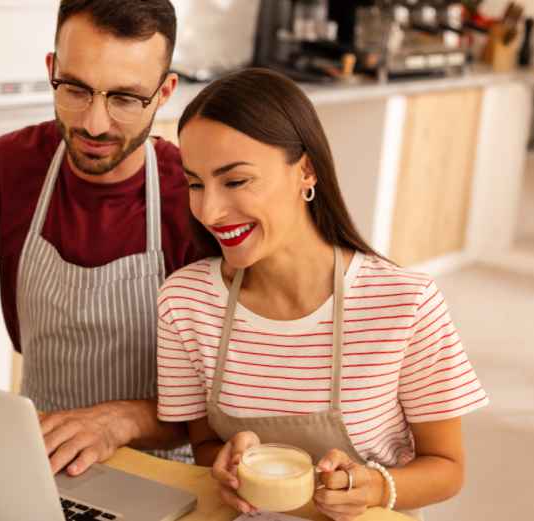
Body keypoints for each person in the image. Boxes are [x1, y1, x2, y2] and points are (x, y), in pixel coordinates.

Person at [156, 68, 489, 521]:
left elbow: (448, 469)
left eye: (235, 181)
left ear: (306, 170)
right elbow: (203, 445)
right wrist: (226, 461)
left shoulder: (405, 304)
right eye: (196, 183)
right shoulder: (185, 302)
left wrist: (373, 486)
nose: (210, 210)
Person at [0, 0, 208, 477]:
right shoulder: (9, 167)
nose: (94, 123)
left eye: (125, 98)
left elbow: (225, 400)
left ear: (164, 93)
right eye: (75, 89)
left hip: (164, 474)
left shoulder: (196, 199)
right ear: (51, 69)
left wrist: (120, 421)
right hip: (39, 463)